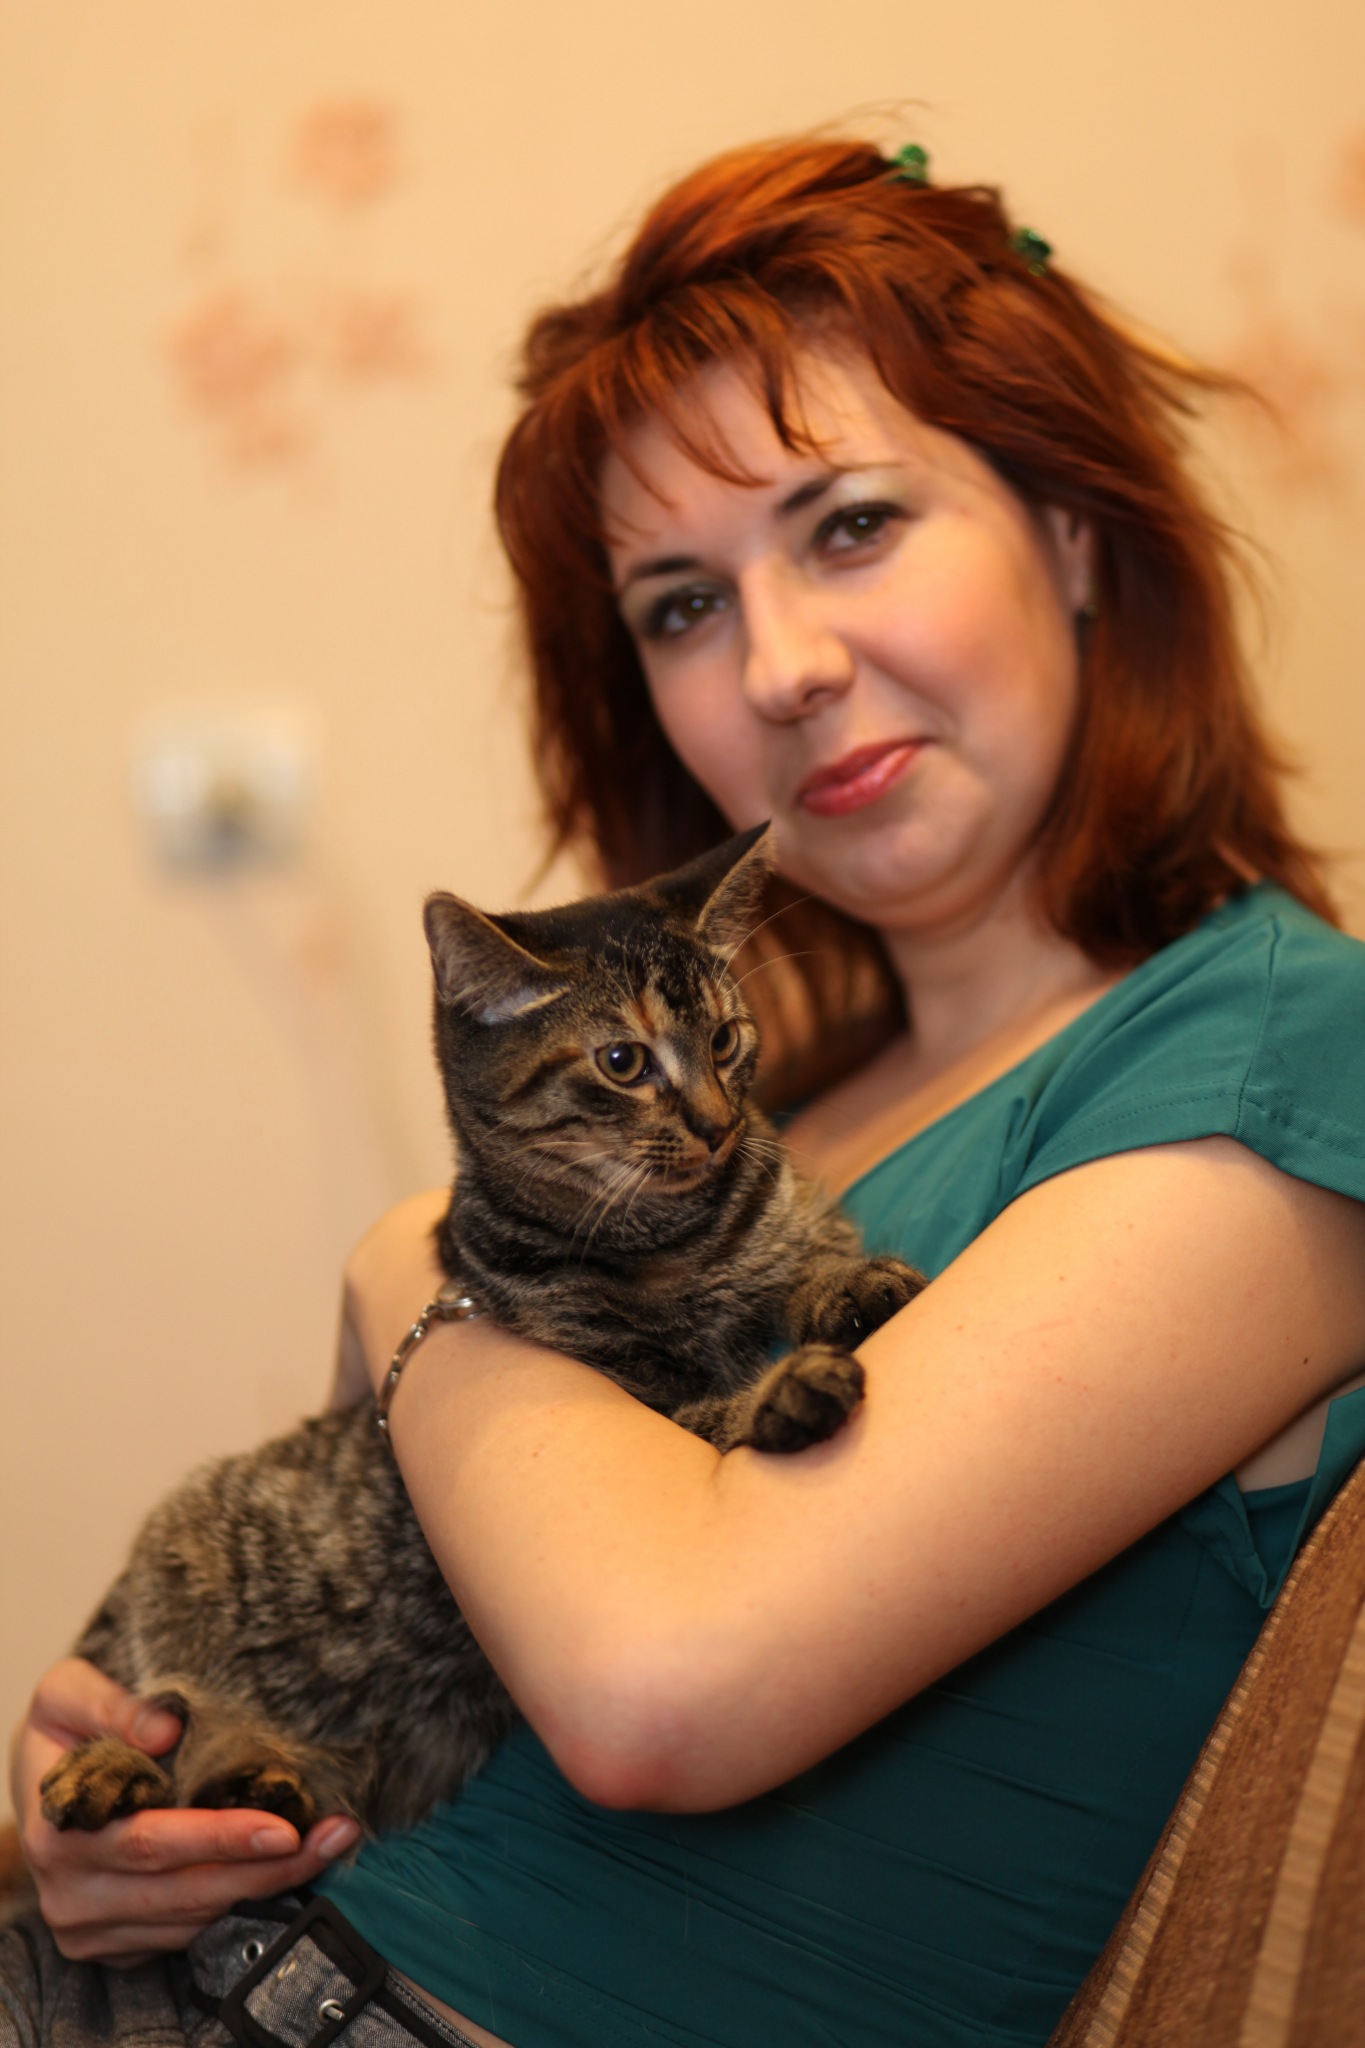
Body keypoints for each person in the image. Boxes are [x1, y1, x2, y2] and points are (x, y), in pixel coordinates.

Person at [10, 135, 1365, 2048]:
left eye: (849, 525)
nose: (782, 667)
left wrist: (404, 1260)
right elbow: (395, 1556)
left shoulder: (1283, 1052)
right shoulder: (777, 1099)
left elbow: (663, 1686)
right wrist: (125, 1784)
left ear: (1069, 531)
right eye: (678, 606)